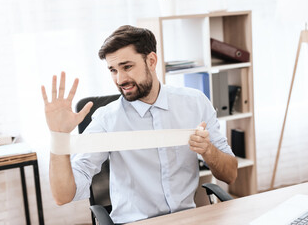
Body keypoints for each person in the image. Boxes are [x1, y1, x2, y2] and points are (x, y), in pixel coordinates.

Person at [41, 25, 237, 224]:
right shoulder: (107, 120)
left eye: (127, 67)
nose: (120, 79)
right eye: (113, 70)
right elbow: (63, 196)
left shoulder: (195, 103)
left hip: (186, 219)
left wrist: (208, 151)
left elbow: (230, 174)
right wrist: (59, 137)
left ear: (151, 61)